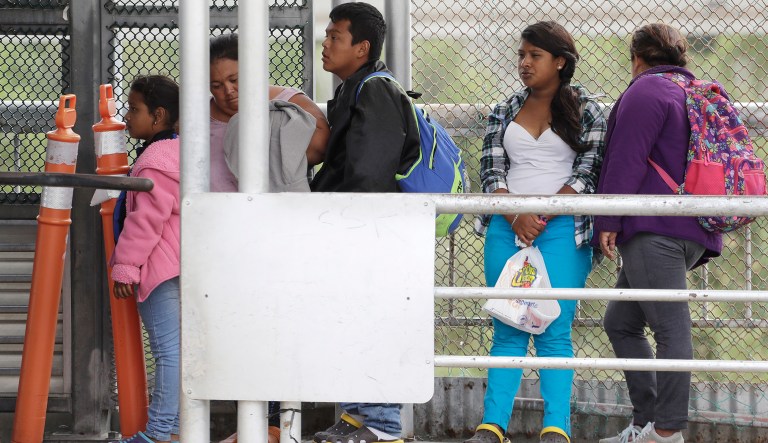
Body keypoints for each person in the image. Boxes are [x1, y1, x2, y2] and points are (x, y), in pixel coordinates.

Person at [467, 21, 606, 443]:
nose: (524, 63)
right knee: (507, 326)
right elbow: (491, 169)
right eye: (521, 55)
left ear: (560, 62)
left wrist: (540, 215)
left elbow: (590, 170)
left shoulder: (588, 110)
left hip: (563, 230)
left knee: (554, 330)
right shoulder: (505, 109)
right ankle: (492, 427)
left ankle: (556, 429)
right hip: (507, 227)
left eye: (534, 56)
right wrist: (515, 216)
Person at [594, 24, 723, 443]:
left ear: (636, 57)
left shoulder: (646, 91)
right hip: (687, 228)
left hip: (655, 229)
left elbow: (626, 160)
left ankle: (666, 432)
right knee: (620, 321)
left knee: (670, 327)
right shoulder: (690, 90)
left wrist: (608, 219)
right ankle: (644, 424)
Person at [310, 3, 420, 443]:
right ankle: (359, 415)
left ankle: (382, 424)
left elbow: (368, 174)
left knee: (371, 316)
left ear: (362, 48)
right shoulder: (355, 88)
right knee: (353, 317)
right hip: (363, 227)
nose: (326, 43)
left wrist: (342, 223)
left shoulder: (373, 91)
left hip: (369, 229)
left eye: (335, 36)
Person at [111, 75, 181, 443]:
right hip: (177, 264)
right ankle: (174, 431)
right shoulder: (175, 151)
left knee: (168, 353)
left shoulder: (156, 160)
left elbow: (145, 222)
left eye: (134, 109)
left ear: (158, 116)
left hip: (159, 268)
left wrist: (126, 266)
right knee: (178, 353)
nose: (126, 116)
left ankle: (156, 435)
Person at [209, 32, 329, 192]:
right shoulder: (194, 117)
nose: (228, 90)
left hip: (277, 210)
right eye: (216, 85)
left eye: (234, 80)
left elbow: (320, 148)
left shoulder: (291, 101)